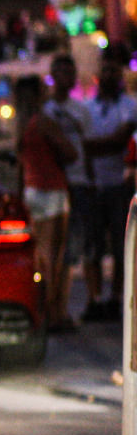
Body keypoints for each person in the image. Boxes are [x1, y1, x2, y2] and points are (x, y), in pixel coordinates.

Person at [14, 75, 78, 332]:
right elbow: (71, 153)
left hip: (32, 190)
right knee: (53, 256)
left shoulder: (21, 124)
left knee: (40, 256)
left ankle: (41, 310)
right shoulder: (43, 121)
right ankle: (52, 314)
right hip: (52, 189)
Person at [79, 46, 137, 321]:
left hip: (118, 185)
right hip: (91, 184)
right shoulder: (86, 107)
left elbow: (120, 141)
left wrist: (89, 147)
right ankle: (95, 299)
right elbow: (85, 145)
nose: (109, 74)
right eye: (105, 69)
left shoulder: (130, 106)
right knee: (91, 246)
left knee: (119, 244)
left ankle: (115, 298)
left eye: (114, 69)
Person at [40, 53, 91, 326]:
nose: (63, 78)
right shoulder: (45, 111)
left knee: (70, 250)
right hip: (54, 185)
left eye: (68, 73)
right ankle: (51, 309)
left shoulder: (81, 109)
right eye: (58, 72)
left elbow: (88, 148)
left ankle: (62, 307)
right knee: (51, 251)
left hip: (79, 183)